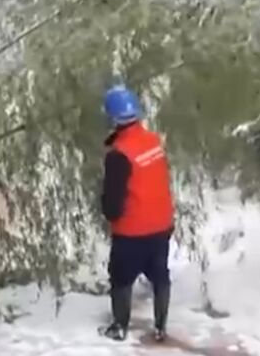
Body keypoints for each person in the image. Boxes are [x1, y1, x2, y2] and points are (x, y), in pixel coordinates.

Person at [99, 84, 175, 343]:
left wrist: (108, 212)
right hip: (161, 225)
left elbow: (112, 206)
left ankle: (120, 326)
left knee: (120, 278)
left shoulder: (119, 154)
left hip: (131, 232)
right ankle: (161, 326)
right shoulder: (154, 141)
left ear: (111, 117)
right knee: (160, 275)